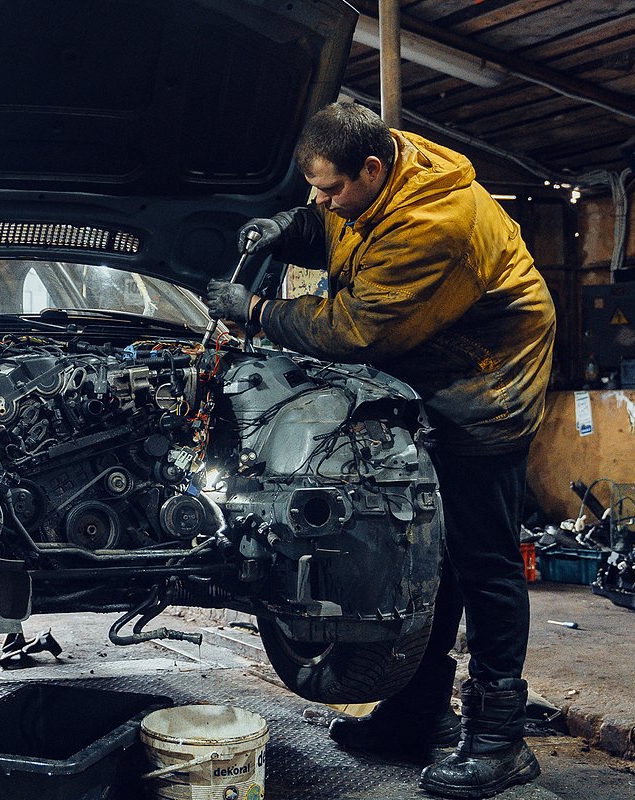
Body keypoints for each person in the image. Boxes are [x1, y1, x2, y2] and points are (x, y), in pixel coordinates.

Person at [204, 100, 555, 799]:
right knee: (432, 556)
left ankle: (499, 740)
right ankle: (414, 716)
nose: (322, 199)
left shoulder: (437, 223)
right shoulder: (383, 163)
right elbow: (338, 231)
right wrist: (291, 227)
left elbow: (356, 328)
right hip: (431, 367)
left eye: (331, 190)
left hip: (485, 382)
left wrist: (258, 313)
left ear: (372, 166)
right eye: (313, 188)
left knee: (481, 561)